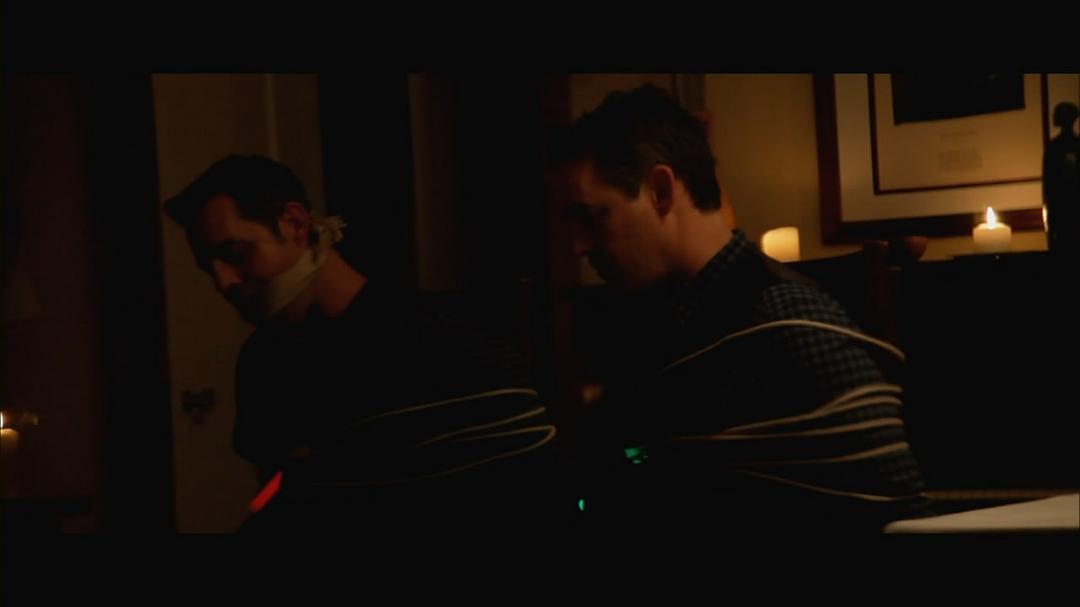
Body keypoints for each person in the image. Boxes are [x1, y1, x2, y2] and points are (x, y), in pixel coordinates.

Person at [553, 85, 930, 533]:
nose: (577, 246)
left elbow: (897, 518)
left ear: (660, 191)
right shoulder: (660, 325)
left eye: (592, 216)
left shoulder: (787, 325)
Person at [164, 155, 560, 532]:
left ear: (295, 224)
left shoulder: (443, 336)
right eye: (208, 268)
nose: (223, 282)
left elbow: (528, 487)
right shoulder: (262, 363)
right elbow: (277, 492)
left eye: (234, 253)